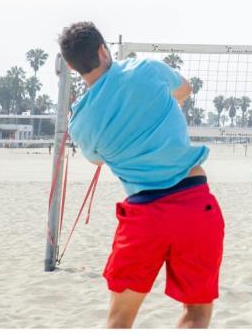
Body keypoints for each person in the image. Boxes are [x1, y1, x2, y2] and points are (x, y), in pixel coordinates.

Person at [59, 21, 225, 328]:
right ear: (102, 49)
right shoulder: (145, 69)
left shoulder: (80, 121)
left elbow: (97, 160)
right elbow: (185, 88)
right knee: (197, 313)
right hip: (194, 205)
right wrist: (155, 108)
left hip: (144, 217)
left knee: (120, 320)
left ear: (70, 66)